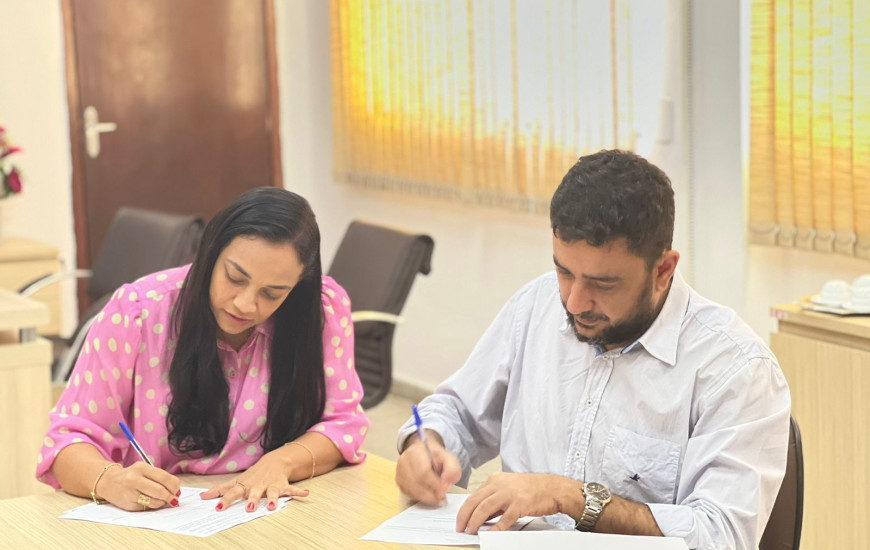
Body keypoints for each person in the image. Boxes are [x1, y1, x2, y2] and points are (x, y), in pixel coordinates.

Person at [395, 150, 790, 550]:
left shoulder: (735, 368)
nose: (574, 302)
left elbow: (721, 537)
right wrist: (424, 444)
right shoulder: (536, 305)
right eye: (564, 271)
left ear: (663, 271)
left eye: (602, 284)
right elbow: (456, 411)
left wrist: (570, 498)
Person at [38, 187, 369, 513]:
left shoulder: (320, 310)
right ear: (211, 253)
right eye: (235, 278)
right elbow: (67, 442)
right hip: (160, 520)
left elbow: (343, 423)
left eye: (272, 294)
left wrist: (281, 462)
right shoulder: (137, 313)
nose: (245, 304)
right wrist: (110, 480)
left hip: (269, 515)